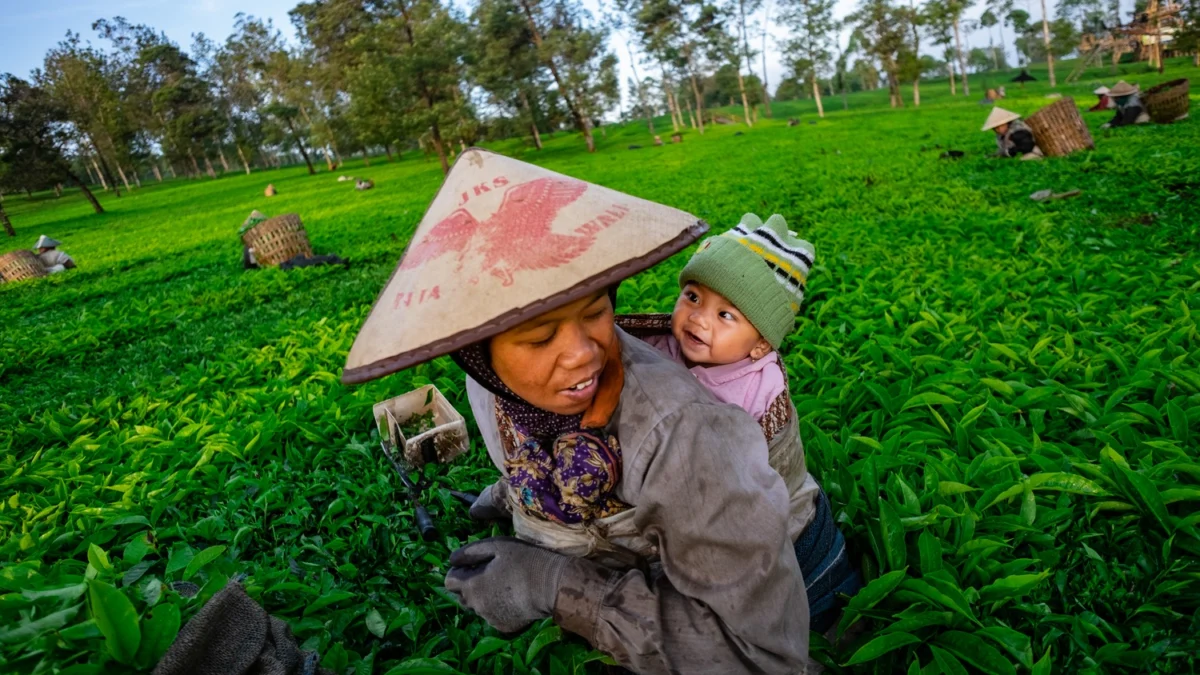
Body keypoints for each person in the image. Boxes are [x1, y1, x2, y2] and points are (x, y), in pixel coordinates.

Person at [342, 149, 811, 674]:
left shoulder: (680, 431)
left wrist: (556, 586)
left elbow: (761, 657)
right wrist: (521, 493)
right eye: (540, 338)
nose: (583, 354)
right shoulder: (486, 380)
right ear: (475, 350)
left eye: (596, 312)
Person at [622, 213, 861, 633]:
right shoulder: (662, 346)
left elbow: (754, 475)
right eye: (693, 297)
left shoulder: (761, 388)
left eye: (725, 315)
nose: (699, 318)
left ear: (761, 344)